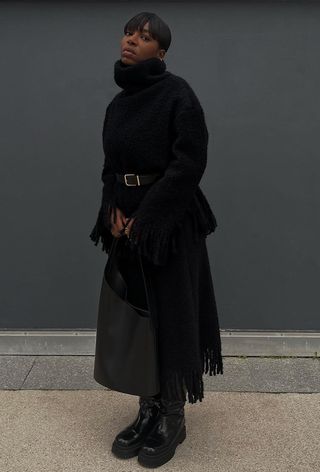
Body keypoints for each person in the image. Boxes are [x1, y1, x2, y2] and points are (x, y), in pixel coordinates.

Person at [89, 11, 224, 468]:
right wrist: (112, 211)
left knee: (170, 313)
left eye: (144, 37)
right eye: (129, 32)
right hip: (126, 225)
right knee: (140, 317)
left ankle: (172, 413)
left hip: (170, 224)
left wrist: (146, 219)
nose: (131, 40)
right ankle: (146, 408)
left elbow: (189, 163)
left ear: (160, 52)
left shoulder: (178, 95)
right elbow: (111, 166)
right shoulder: (118, 104)